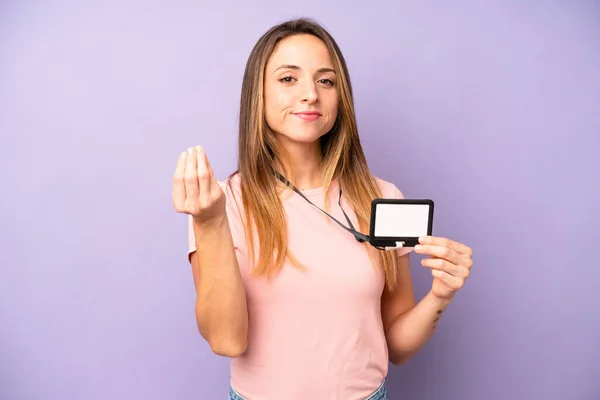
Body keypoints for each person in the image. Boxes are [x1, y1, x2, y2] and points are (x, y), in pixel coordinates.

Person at [172, 17, 473, 400]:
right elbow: (226, 340)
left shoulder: (380, 197)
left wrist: (440, 296)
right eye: (288, 79)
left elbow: (397, 346)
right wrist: (210, 223)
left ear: (340, 96)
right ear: (258, 94)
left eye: (326, 80)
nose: (310, 94)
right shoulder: (221, 203)